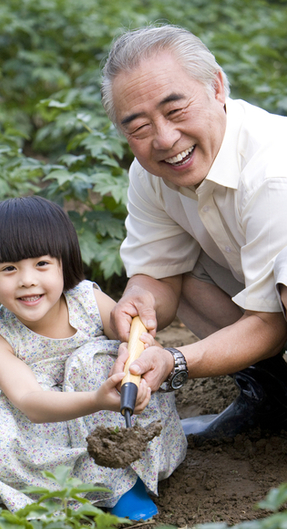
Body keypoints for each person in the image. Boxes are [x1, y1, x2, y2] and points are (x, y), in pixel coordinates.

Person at [101, 24, 287, 442]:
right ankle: (271, 397)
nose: (165, 140)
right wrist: (139, 306)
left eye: (175, 110)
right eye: (139, 128)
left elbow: (271, 323)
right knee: (178, 269)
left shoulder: (274, 171)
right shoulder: (150, 176)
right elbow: (159, 274)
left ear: (217, 87)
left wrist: (175, 361)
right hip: (268, 309)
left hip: (278, 311)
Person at [0, 196, 186, 517]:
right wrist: (95, 399)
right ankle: (71, 493)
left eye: (41, 264)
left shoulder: (87, 299)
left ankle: (125, 484)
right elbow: (30, 402)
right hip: (48, 426)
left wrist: (134, 351)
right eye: (9, 269)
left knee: (93, 360)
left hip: (112, 412)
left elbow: (133, 336)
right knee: (3, 438)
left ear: (62, 263)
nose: (27, 279)